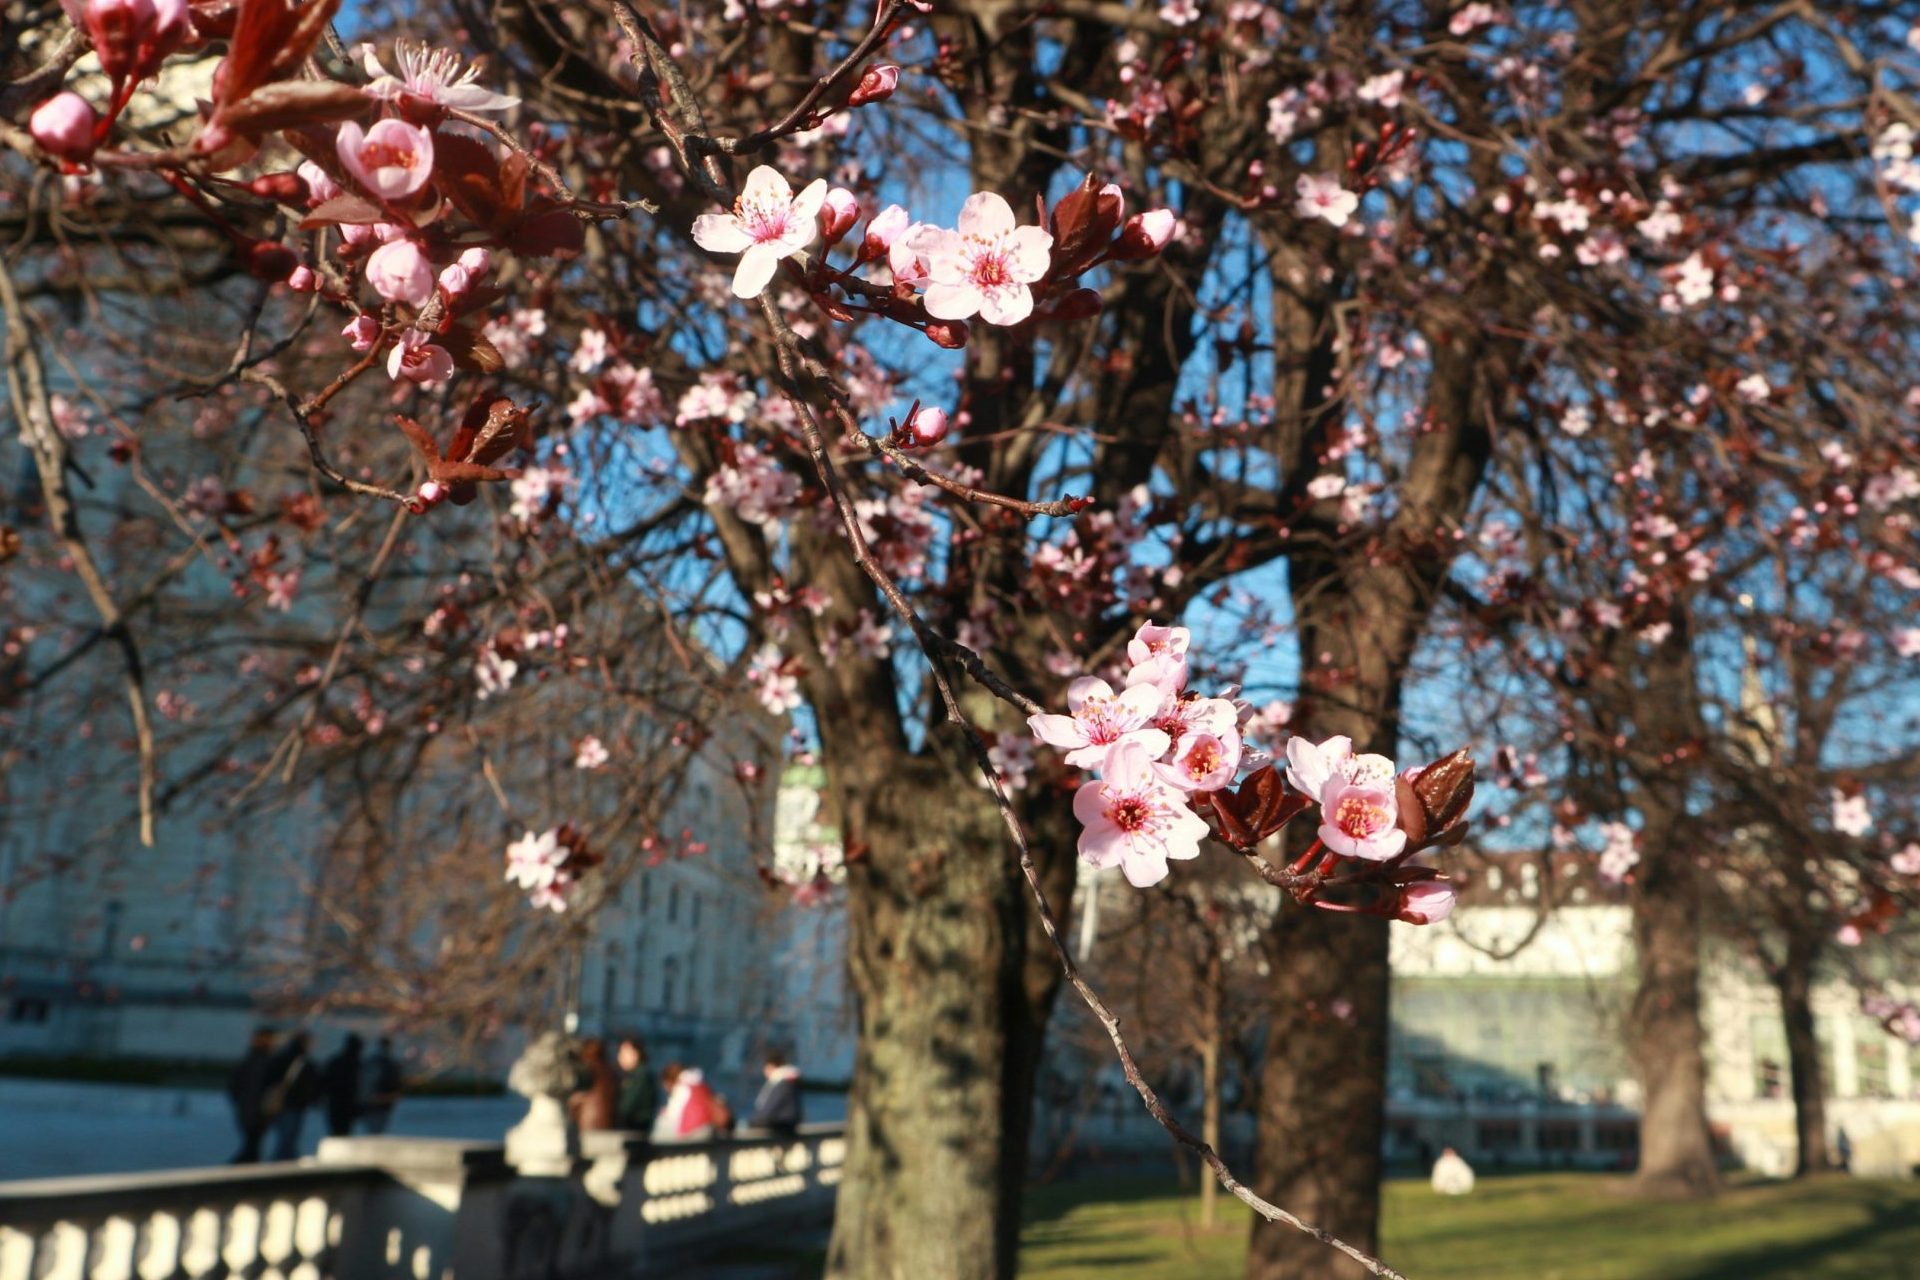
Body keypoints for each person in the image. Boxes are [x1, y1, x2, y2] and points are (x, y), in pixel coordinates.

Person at [264, 1029, 318, 1161]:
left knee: (284, 1138)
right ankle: (282, 1165)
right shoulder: (303, 1062)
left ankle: (282, 1163)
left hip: (280, 1103)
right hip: (294, 1104)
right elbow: (309, 1085)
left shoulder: (279, 1058)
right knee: (288, 1140)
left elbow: (268, 1079)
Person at [227, 1026, 277, 1164]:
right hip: (257, 1109)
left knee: (252, 1143)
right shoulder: (265, 1062)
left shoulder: (249, 1060)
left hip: (248, 1108)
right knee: (253, 1144)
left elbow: (234, 1086)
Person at [652, 1063, 729, 1141]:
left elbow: (674, 1114)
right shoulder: (699, 1084)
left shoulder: (681, 1088)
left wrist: (665, 1113)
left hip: (692, 1131)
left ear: (668, 1080)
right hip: (707, 1127)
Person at [568, 1037, 619, 1133]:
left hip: (588, 1124)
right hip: (609, 1125)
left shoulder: (586, 1069)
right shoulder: (610, 1070)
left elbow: (577, 1099)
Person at [746, 1052, 803, 1135]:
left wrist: (754, 1120)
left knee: (752, 1124)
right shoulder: (787, 1080)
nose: (764, 1072)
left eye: (766, 1068)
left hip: (783, 1123)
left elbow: (770, 1107)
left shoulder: (782, 1083)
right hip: (787, 1122)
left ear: (772, 1067)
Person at [319, 1034, 364, 1138]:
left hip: (335, 1102)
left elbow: (324, 1081)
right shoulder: (357, 1063)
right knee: (345, 1132)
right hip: (349, 1103)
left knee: (336, 1131)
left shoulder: (335, 1061)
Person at [614, 1035, 658, 1131]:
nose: (620, 1057)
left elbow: (627, 1106)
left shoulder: (640, 1075)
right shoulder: (632, 1075)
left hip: (636, 1128)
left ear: (636, 1054)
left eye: (625, 1053)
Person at [359, 1037, 402, 1134]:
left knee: (372, 1129)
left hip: (371, 1103)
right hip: (382, 1102)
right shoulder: (390, 1064)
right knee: (377, 1129)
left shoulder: (369, 1062)